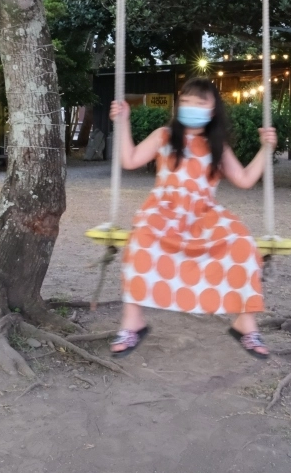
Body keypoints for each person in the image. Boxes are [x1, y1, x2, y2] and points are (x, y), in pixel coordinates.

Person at [107, 78, 277, 360]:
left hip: (203, 213)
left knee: (241, 242)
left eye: (201, 102)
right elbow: (130, 159)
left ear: (213, 110)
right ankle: (132, 320)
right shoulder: (164, 136)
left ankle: (245, 322)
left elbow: (245, 179)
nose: (192, 107)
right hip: (164, 210)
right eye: (186, 101)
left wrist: (265, 149)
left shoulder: (216, 146)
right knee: (141, 241)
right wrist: (123, 121)